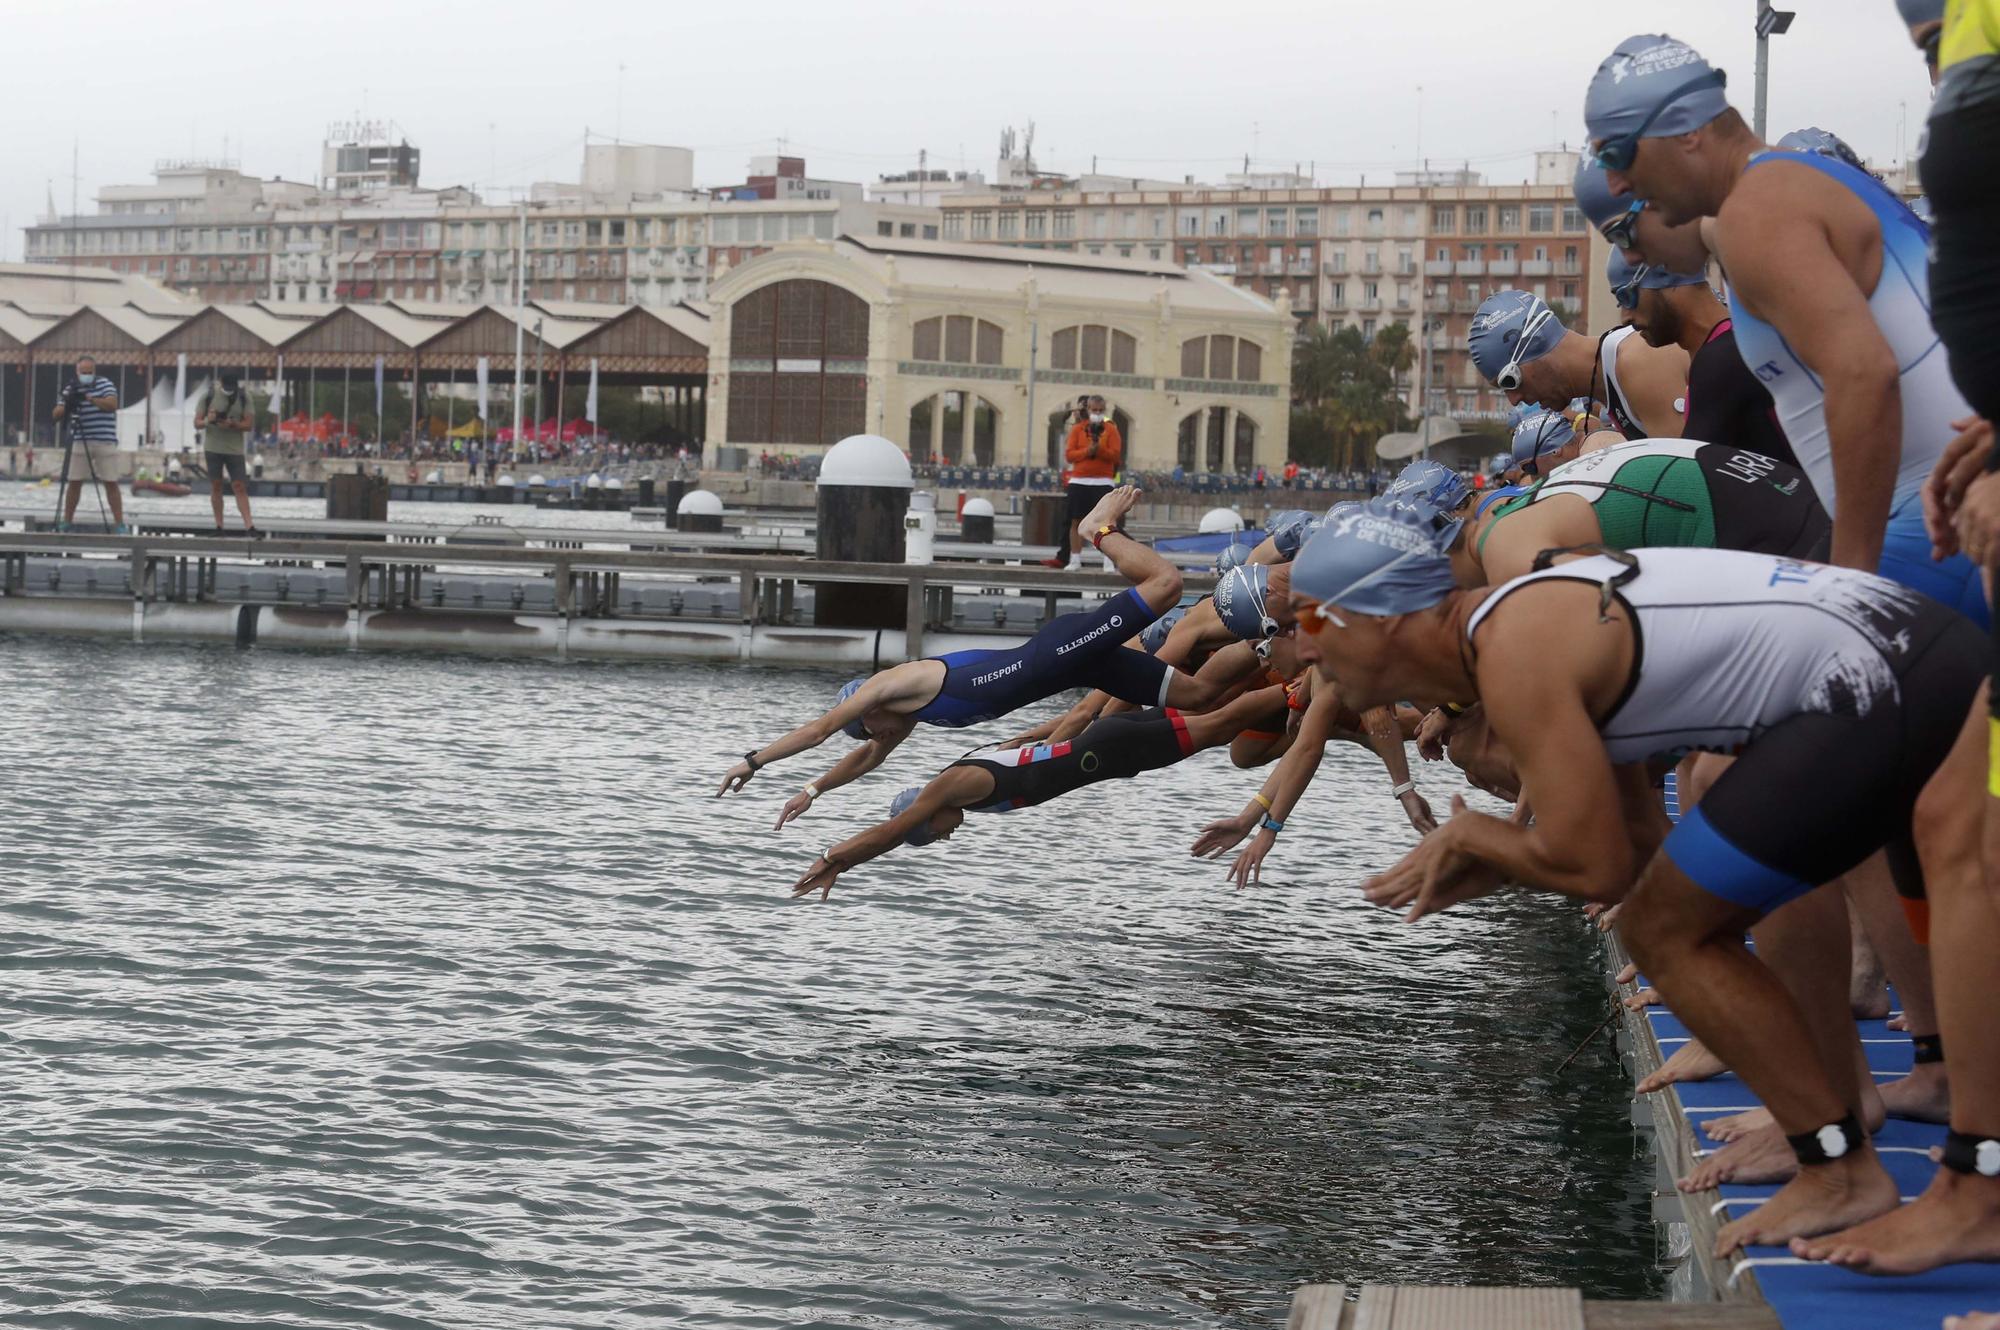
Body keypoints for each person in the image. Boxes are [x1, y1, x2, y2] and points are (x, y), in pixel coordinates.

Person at [1287, 498, 1985, 1256]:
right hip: (1912, 657)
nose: (1300, 649)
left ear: (1384, 616)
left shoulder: (1515, 650)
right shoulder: (1520, 626)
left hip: (1882, 677)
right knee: (1677, 913)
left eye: (1311, 621)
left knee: (1666, 929)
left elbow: (1593, 865)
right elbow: (1631, 853)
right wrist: (1504, 862)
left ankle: (1841, 1167)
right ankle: (1830, 1141)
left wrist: (1476, 835)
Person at [1583, 32, 1989, 625]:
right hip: (1944, 517)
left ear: (1688, 132)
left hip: (1936, 529)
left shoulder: (1757, 208)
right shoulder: (1777, 192)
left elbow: (1863, 374)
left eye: (1618, 158)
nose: (1617, 184)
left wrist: (1848, 585)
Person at [719, 485, 1225, 816]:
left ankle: (1094, 531)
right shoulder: (906, 719)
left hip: (1061, 651)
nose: (878, 740)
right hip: (1077, 665)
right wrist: (812, 793)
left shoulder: (893, 685)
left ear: (869, 712)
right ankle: (1265, 648)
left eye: (869, 731)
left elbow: (819, 730)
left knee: (1165, 584)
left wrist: (754, 761)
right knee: (1200, 696)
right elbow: (862, 761)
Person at [788, 684, 1288, 899]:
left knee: (1225, 721)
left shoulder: (952, 786)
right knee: (1224, 722)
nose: (944, 838)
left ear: (926, 814)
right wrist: (1093, 715)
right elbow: (1039, 743)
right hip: (1109, 750)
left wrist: (835, 857)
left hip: (1114, 749)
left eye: (932, 835)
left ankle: (1301, 687)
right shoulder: (968, 778)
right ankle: (1296, 695)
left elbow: (890, 832)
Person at [1456, 435, 1829, 588]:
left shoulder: (1504, 551)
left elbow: (1625, 612)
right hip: (1786, 490)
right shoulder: (1537, 495)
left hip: (1758, 528)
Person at [1469, 289, 1689, 439]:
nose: (1514, 400)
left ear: (1536, 343)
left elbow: (1689, 485)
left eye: (1511, 381)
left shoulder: (1638, 360)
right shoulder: (1609, 385)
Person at [49, 355, 126, 533]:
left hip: (104, 439)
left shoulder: (105, 384)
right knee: (74, 482)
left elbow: (112, 404)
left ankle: (120, 523)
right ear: (77, 371)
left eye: (89, 372)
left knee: (111, 482)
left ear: (94, 371)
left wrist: (90, 398)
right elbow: (55, 415)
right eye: (83, 372)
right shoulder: (70, 388)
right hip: (79, 439)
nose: (86, 375)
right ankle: (67, 521)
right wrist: (68, 401)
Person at [1060, 395, 1122, 570]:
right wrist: (1088, 451)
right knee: (1075, 520)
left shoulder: (1111, 430)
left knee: (1106, 522)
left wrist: (1099, 449)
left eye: (1100, 411)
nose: (1096, 413)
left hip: (1103, 481)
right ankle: (1075, 558)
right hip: (1080, 480)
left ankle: (1108, 560)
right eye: (1093, 410)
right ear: (1088, 410)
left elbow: (1115, 455)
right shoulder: (1078, 429)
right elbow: (1070, 455)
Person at [198, 374, 261, 538]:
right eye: (227, 387)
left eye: (232, 388)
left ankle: (250, 526)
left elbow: (249, 424)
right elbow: (196, 423)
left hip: (235, 450)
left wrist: (234, 424)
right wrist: (208, 420)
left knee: (239, 486)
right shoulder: (208, 396)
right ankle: (219, 526)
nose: (229, 391)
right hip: (213, 448)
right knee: (216, 486)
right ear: (220, 382)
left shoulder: (244, 397)